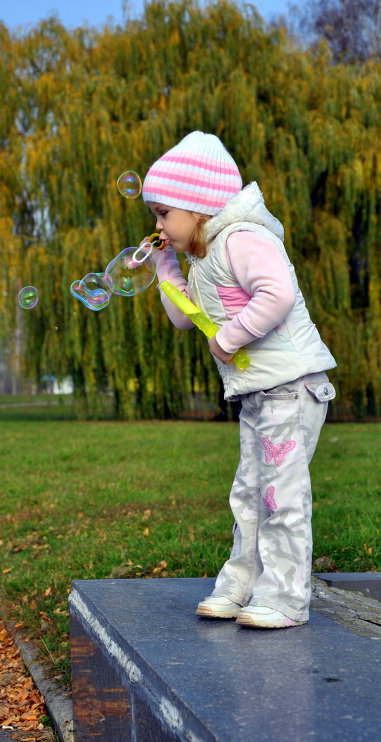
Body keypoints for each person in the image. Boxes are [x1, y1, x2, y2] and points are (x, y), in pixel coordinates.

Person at [142, 131, 337, 629]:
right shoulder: (202, 255)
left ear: (197, 205)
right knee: (249, 492)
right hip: (259, 392)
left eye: (163, 213)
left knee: (281, 496)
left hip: (293, 387)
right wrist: (165, 266)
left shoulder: (244, 238)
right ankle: (240, 584)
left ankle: (286, 598)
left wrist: (229, 338)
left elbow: (278, 294)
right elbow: (185, 318)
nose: (157, 223)